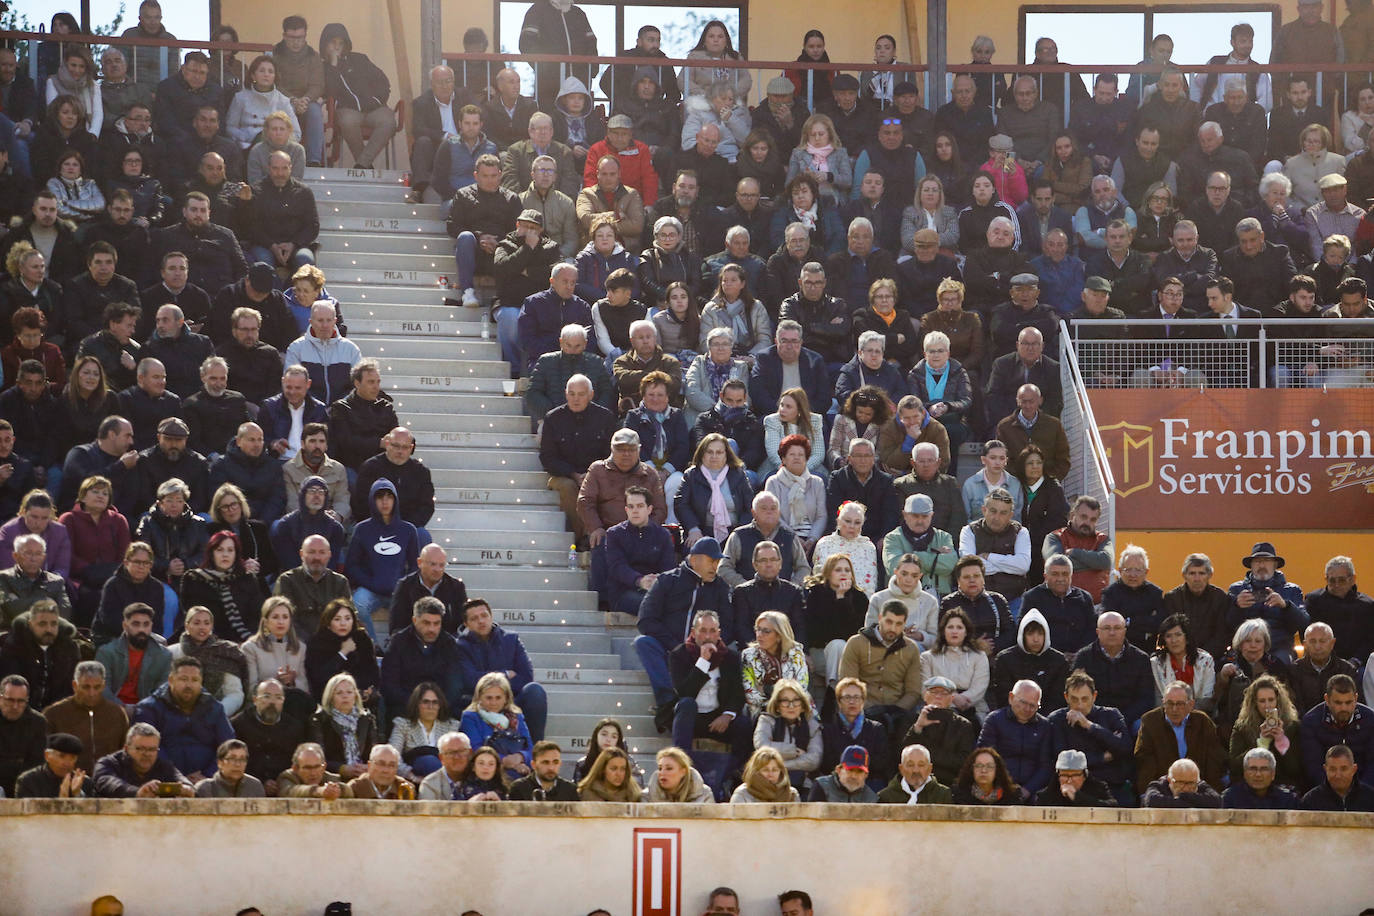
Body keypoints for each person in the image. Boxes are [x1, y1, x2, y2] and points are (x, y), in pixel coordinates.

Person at [635, 538, 733, 710]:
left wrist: (702, 648)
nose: (715, 566)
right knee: (643, 643)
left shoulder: (721, 588)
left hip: (703, 654)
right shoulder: (667, 581)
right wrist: (677, 647)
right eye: (711, 561)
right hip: (669, 650)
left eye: (718, 562)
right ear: (694, 559)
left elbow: (727, 627)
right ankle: (667, 701)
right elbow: (645, 620)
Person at [131, 655, 234, 781]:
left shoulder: (214, 708)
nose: (189, 685)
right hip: (161, 780)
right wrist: (175, 777)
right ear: (171, 680)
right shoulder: (149, 708)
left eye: (195, 680)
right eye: (183, 679)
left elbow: (228, 746)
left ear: (201, 682)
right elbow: (144, 748)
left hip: (208, 782)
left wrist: (208, 775)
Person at [318, 23, 396, 169]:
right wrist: (333, 66)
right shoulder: (322, 68)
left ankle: (362, 164)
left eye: (341, 43)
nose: (337, 47)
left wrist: (376, 100)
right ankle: (366, 166)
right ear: (324, 44)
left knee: (389, 121)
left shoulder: (360, 59)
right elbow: (330, 93)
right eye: (333, 43)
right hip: (347, 110)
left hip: (374, 108)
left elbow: (383, 81)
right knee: (347, 121)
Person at [1134, 679, 1227, 793]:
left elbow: (1215, 758)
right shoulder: (1150, 721)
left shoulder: (1203, 722)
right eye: (1169, 703)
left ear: (1191, 704)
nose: (1174, 709)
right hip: (1164, 788)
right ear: (1163, 702)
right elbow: (1145, 761)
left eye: (1180, 704)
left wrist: (1209, 791)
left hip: (1197, 786)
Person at [1225, 541, 1309, 663]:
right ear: (1251, 565)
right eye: (1257, 561)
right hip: (1245, 647)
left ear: (1275, 565)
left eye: (1266, 560)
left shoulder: (1292, 590)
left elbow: (1304, 623)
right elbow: (1228, 624)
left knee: (1282, 664)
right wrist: (1237, 606)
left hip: (1280, 647)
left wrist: (1286, 606)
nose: (1262, 565)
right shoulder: (1236, 589)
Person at [1070, 611, 1155, 730]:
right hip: (1092, 718)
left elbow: (1146, 699)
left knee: (1144, 726)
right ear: (1097, 632)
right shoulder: (1084, 657)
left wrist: (1120, 719)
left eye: (1117, 628)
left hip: (1129, 719)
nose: (1112, 632)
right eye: (1106, 628)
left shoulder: (1141, 658)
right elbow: (1075, 694)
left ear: (1125, 631)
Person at [718, 492, 811, 589]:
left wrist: (790, 588)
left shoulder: (790, 537)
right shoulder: (738, 536)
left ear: (779, 513)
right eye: (764, 508)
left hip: (783, 599)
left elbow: (804, 568)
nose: (769, 512)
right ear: (753, 513)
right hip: (747, 599)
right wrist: (745, 587)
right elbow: (724, 568)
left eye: (773, 508)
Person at [169, 605, 248, 717]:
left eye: (206, 623)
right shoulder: (172, 653)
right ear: (187, 626)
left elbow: (234, 694)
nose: (202, 627)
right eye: (197, 623)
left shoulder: (225, 653)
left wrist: (216, 713)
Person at [351, 428, 435, 532]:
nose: (400, 451)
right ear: (387, 444)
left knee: (422, 535)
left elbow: (426, 507)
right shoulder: (370, 468)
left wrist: (405, 527)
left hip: (408, 527)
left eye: (405, 447)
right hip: (374, 525)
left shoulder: (421, 472)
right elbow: (360, 502)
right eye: (396, 446)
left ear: (411, 448)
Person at [230, 678, 307, 792]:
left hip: (286, 785)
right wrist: (261, 782)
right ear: (255, 700)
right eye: (267, 696)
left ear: (283, 701)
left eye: (278, 697)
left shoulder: (294, 727)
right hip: (246, 785)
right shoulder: (239, 724)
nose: (272, 702)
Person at [674, 434, 752, 547]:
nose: (714, 456)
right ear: (702, 454)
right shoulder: (691, 475)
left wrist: (741, 532)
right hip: (701, 532)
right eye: (709, 452)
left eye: (719, 452)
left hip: (735, 531)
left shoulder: (738, 474)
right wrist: (693, 529)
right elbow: (681, 504)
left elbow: (750, 506)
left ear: (726, 455)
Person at [1300, 673, 1374, 788]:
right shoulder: (1311, 722)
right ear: (1327, 700)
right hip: (1324, 791)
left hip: (1365, 791)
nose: (1344, 708)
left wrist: (1360, 794)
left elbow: (1372, 765)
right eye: (1338, 703)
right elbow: (1314, 768)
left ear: (1355, 698)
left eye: (1348, 702)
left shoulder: (1370, 720)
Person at [878, 513, 952, 625]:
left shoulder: (944, 537)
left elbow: (950, 564)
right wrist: (933, 554)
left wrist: (910, 556)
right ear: (905, 514)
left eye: (924, 516)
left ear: (932, 515)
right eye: (915, 516)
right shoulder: (892, 537)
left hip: (939, 599)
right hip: (899, 600)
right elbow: (893, 565)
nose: (920, 521)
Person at [92, 721, 194, 798]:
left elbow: (183, 782)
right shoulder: (107, 764)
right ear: (126, 749)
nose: (147, 754)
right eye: (140, 749)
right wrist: (137, 793)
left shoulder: (164, 766)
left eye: (152, 749)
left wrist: (187, 789)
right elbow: (109, 783)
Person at [308, 672, 379, 779]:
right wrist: (342, 769)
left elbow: (375, 753)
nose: (345, 696)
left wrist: (367, 767)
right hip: (332, 776)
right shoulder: (319, 720)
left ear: (355, 696)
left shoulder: (367, 719)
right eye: (339, 693)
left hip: (363, 775)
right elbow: (318, 757)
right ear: (331, 697)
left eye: (349, 692)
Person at [1150, 613, 1218, 717]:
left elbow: (1207, 700)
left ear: (1187, 637)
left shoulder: (1205, 660)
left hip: (1200, 716)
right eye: (1168, 636)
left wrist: (1183, 711)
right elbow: (1159, 701)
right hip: (1166, 717)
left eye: (1178, 634)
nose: (1174, 640)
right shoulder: (1156, 664)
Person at [240, 596, 308, 696]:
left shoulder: (300, 647)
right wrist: (276, 682)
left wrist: (292, 682)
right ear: (266, 621)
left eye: (285, 617)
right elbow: (251, 690)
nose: (281, 622)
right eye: (275, 617)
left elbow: (305, 688)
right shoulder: (251, 648)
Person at [0, 672, 46, 795]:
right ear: (1, 698)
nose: (15, 706)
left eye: (21, 701)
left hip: (25, 785)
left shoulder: (38, 723)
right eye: (10, 700)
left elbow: (37, 763)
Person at [14, 731, 94, 798]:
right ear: (47, 755)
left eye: (72, 757)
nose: (67, 762)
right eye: (61, 756)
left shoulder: (85, 782)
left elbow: (93, 814)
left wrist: (77, 794)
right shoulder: (28, 781)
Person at [1301, 743, 1374, 811]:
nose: (1338, 775)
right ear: (1325, 769)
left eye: (1344, 769)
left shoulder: (1370, 798)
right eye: (1332, 769)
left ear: (1354, 769)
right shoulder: (1311, 800)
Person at [275, 740, 352, 798]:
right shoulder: (287, 777)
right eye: (307, 768)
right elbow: (289, 791)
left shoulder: (329, 778)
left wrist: (338, 790)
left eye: (317, 767)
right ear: (295, 768)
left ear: (323, 767)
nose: (313, 773)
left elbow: (349, 791)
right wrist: (317, 791)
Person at [1141, 757, 1222, 808]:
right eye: (1180, 783)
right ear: (1169, 780)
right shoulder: (1158, 786)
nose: (1186, 788)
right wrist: (1192, 803)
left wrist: (1185, 797)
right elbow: (1152, 801)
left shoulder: (1199, 784)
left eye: (1190, 783)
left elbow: (1217, 801)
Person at [645, 745, 715, 804]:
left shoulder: (705, 795)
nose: (662, 773)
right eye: (660, 768)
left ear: (683, 772)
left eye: (669, 768)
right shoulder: (647, 797)